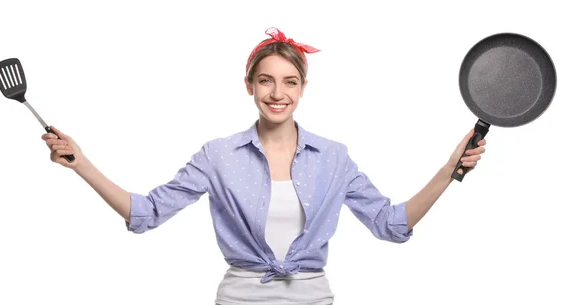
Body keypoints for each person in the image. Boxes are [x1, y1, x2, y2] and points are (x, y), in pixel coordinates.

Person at [41, 27, 486, 305]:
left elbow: (390, 224)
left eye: (290, 81)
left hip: (314, 298)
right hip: (239, 299)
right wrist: (81, 163)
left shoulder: (334, 158)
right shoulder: (217, 156)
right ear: (250, 86)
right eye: (266, 80)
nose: (278, 93)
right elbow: (147, 212)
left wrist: (450, 168)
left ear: (303, 88)